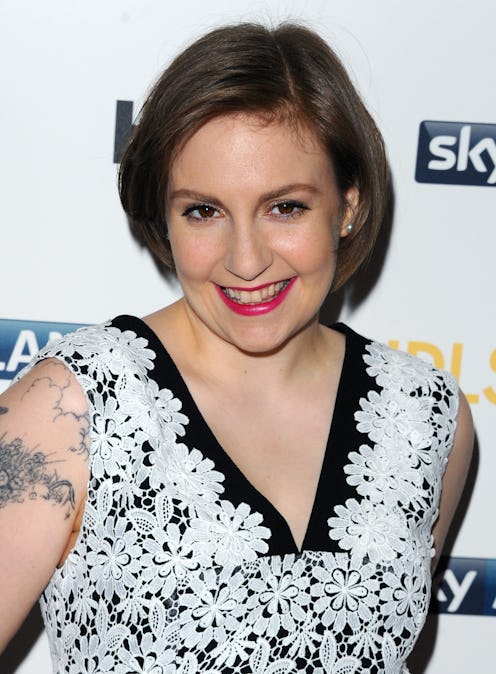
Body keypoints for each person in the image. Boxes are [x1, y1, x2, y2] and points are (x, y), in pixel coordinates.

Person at [0, 22, 473, 674]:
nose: (245, 261)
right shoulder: (69, 410)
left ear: (348, 205)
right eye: (204, 211)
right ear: (163, 217)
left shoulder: (426, 414)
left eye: (285, 207)